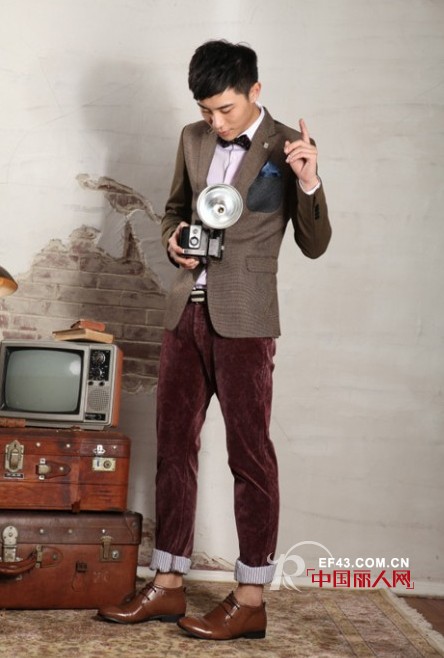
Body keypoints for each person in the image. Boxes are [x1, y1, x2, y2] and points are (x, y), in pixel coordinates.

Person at [98, 39, 331, 640]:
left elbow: (315, 244)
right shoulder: (192, 138)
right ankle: (168, 583)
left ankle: (250, 597)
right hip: (184, 311)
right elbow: (175, 208)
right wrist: (173, 239)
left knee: (249, 456)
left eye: (225, 109)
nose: (215, 122)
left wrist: (309, 182)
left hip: (246, 320)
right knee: (173, 448)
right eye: (205, 110)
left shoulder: (288, 147)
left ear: (255, 91)